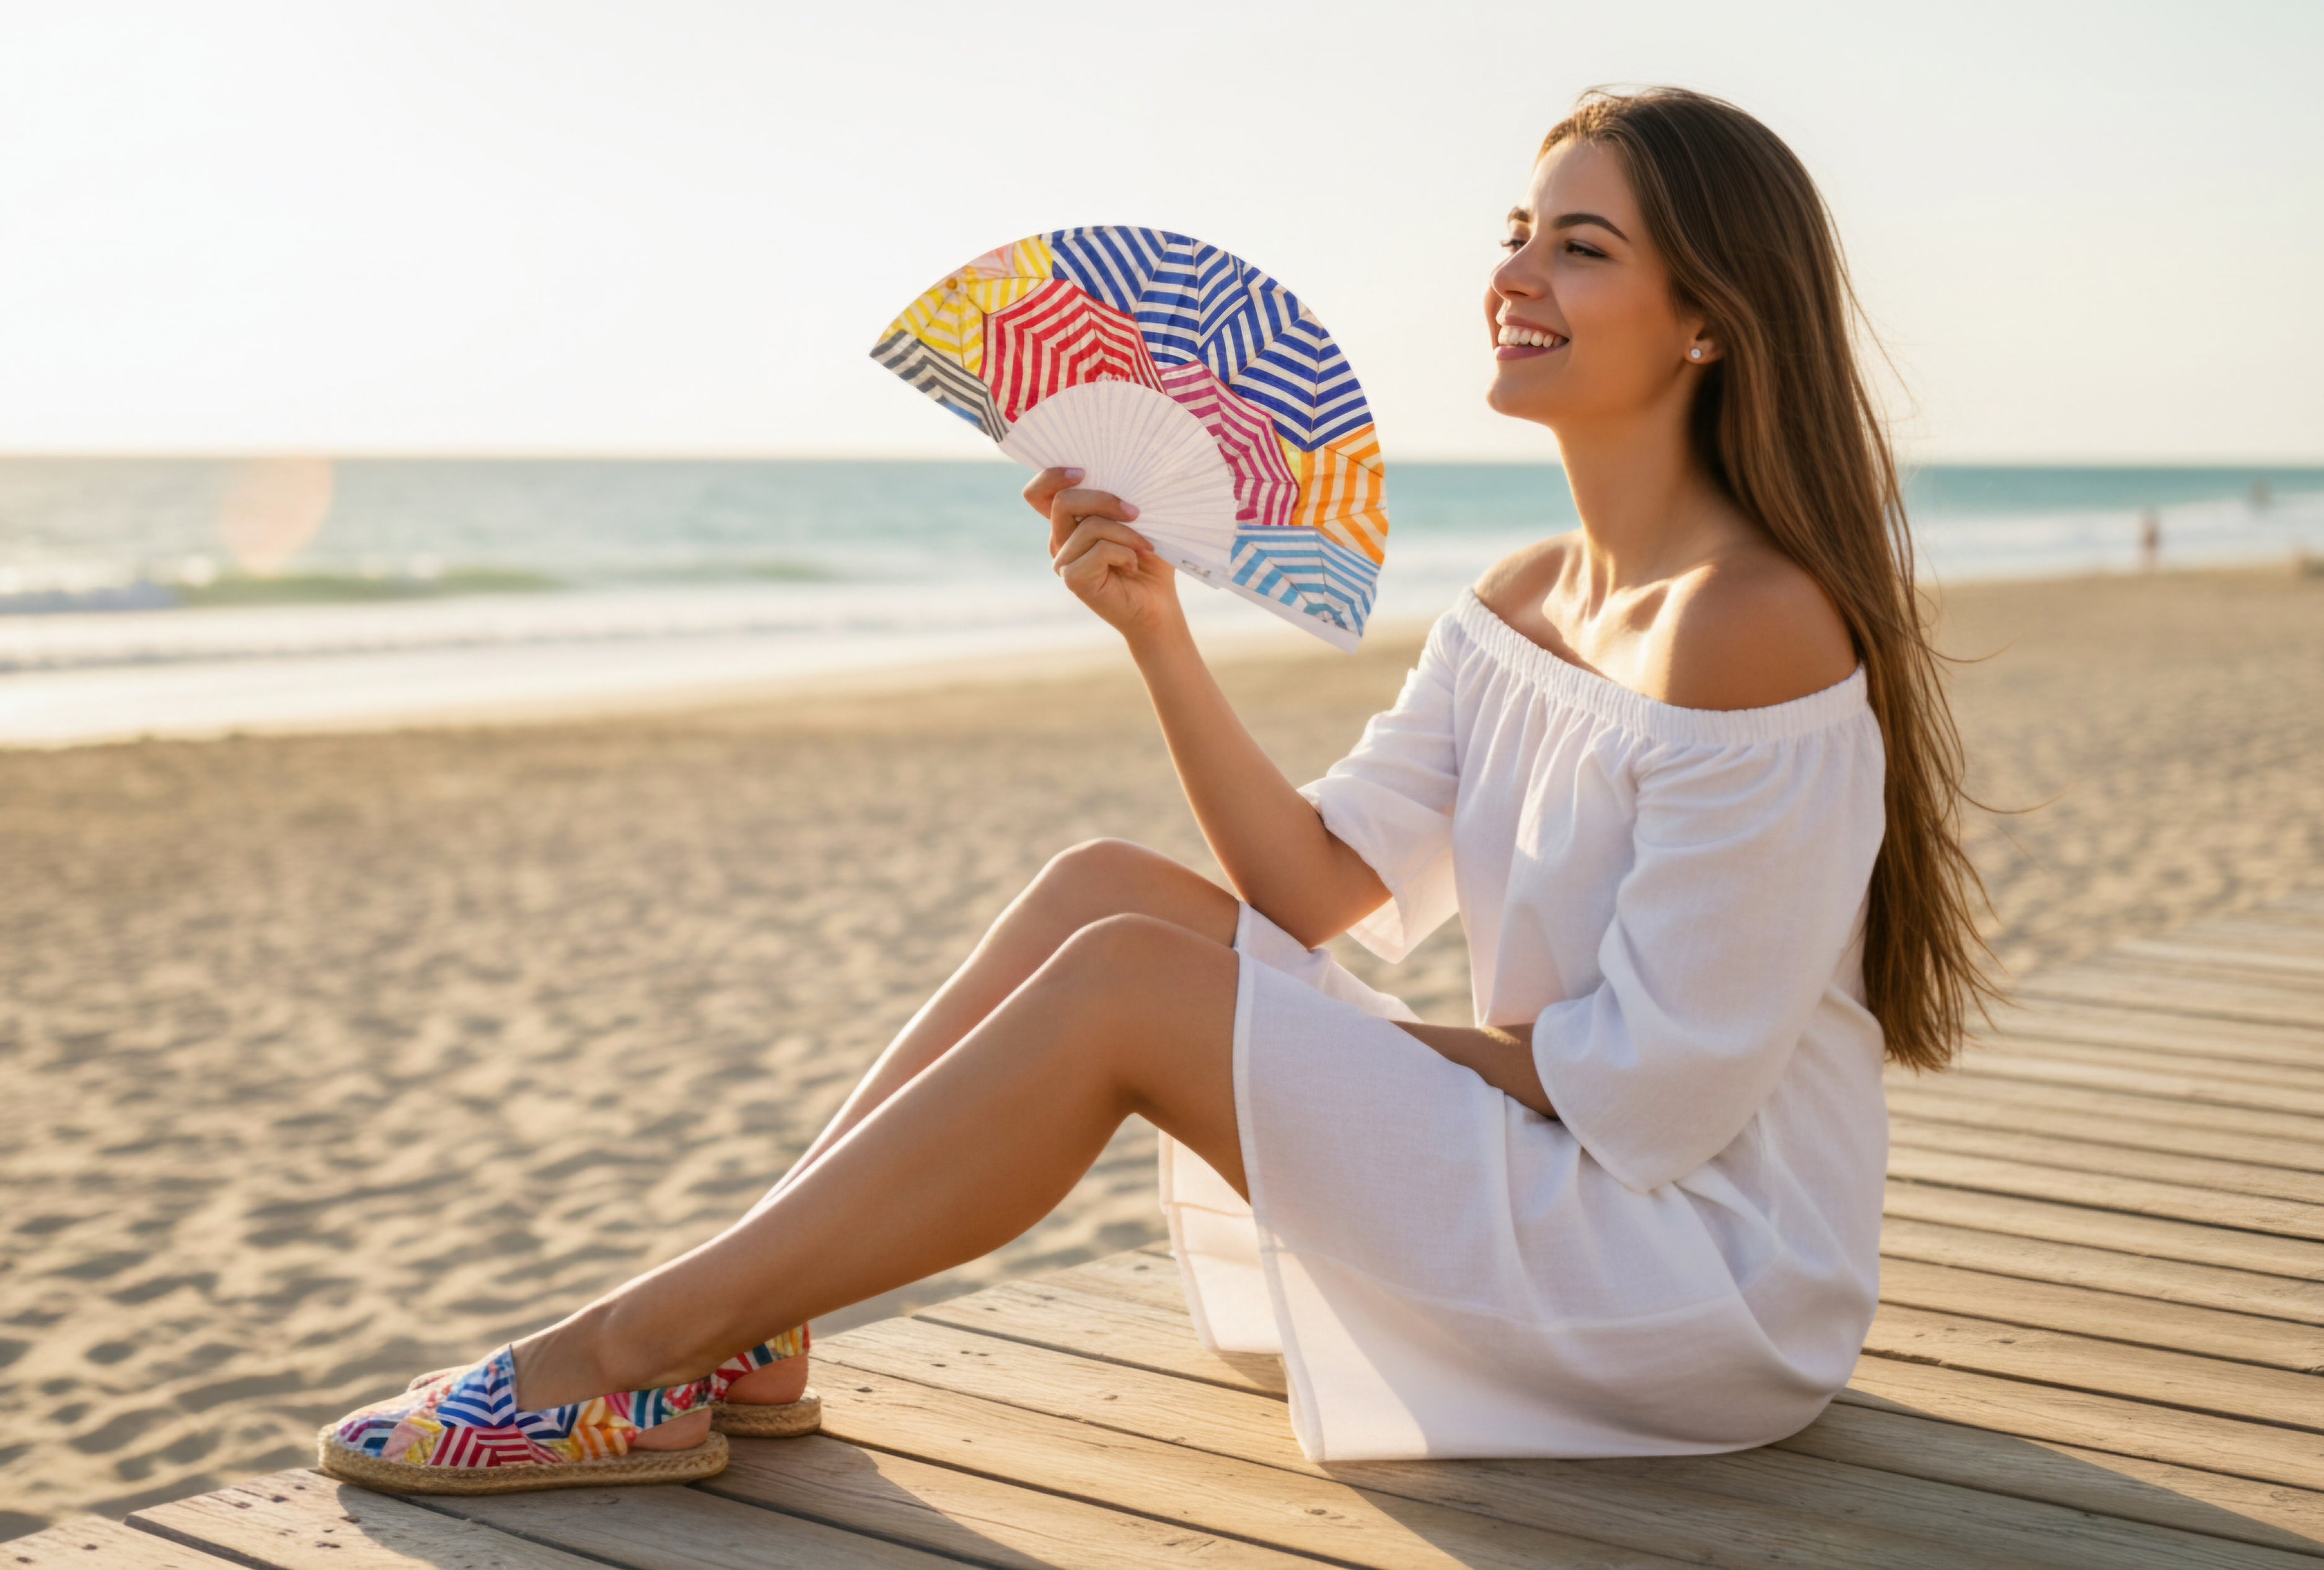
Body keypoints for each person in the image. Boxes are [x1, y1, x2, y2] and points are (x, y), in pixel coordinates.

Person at [321, 86, 1994, 1488]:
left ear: (1709, 317)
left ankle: (618, 1349)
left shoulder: (1754, 624)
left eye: (1582, 243)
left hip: (1692, 1276)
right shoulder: (1522, 601)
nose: (1516, 271)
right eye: (1515, 229)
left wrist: (1280, 1042)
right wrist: (1158, 636)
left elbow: (1654, 1099)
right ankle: (752, 1324)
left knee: (1138, 984)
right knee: (1105, 889)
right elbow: (1320, 885)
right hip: (1568, 1184)